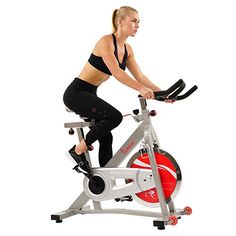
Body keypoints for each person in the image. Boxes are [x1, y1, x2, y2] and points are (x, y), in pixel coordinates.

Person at [63, 6, 172, 178]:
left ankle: (106, 181)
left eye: (139, 21)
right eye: (133, 21)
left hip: (90, 93)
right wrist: (141, 89)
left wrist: (162, 94)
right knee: (114, 117)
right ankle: (77, 151)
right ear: (120, 22)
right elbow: (117, 72)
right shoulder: (106, 42)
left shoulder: (128, 49)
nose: (137, 25)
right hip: (76, 93)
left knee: (106, 137)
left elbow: (140, 76)